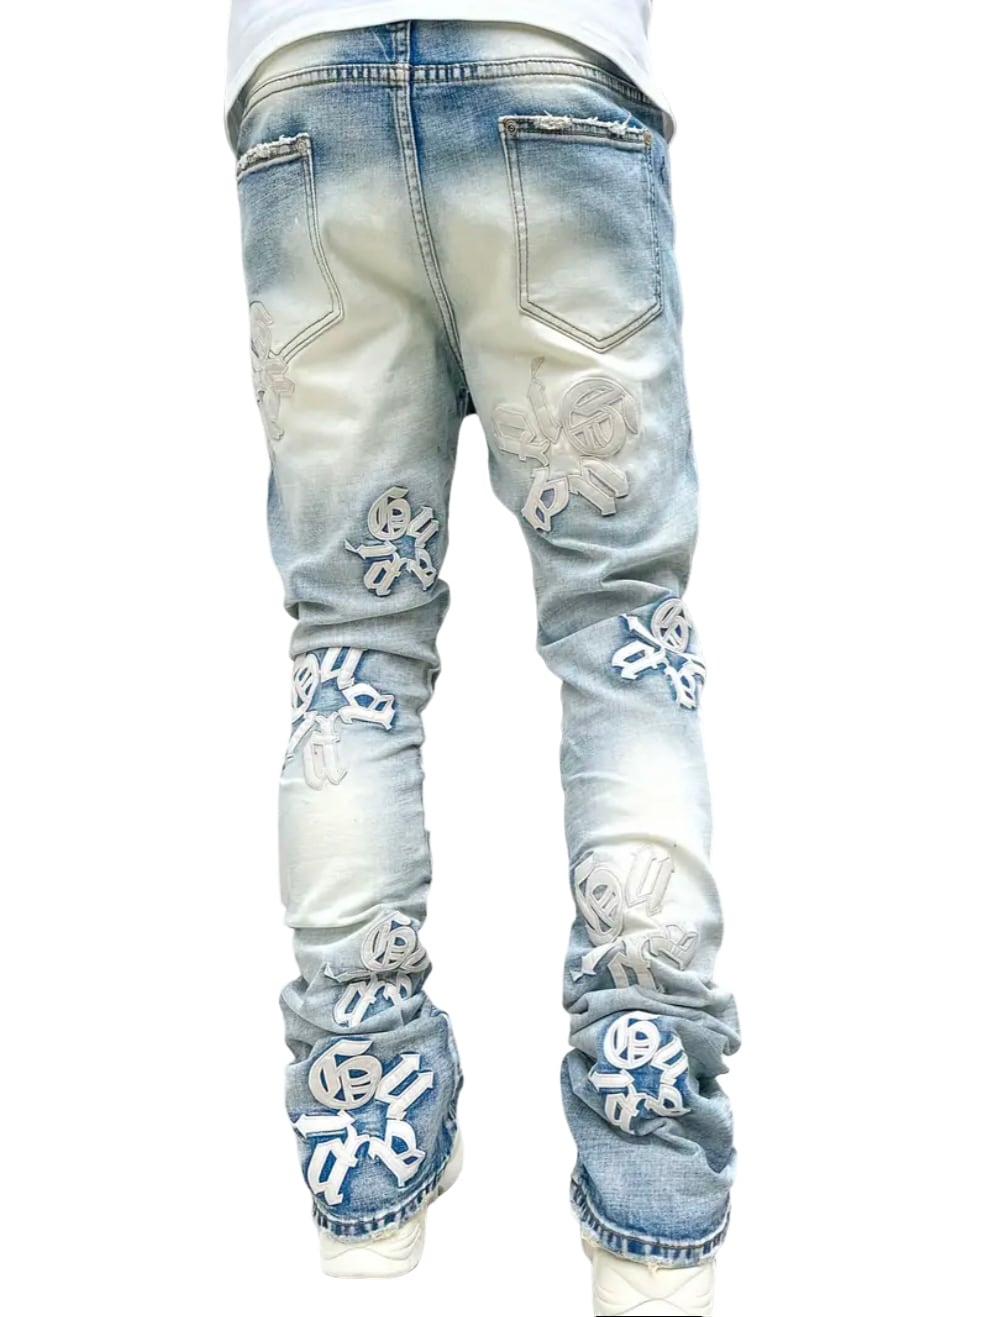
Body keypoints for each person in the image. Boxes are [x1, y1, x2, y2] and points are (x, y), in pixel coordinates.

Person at [225, 4, 739, 1313]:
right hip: (547, 62)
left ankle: (363, 1148)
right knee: (622, 631)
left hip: (306, 87)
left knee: (351, 644)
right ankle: (649, 1190)